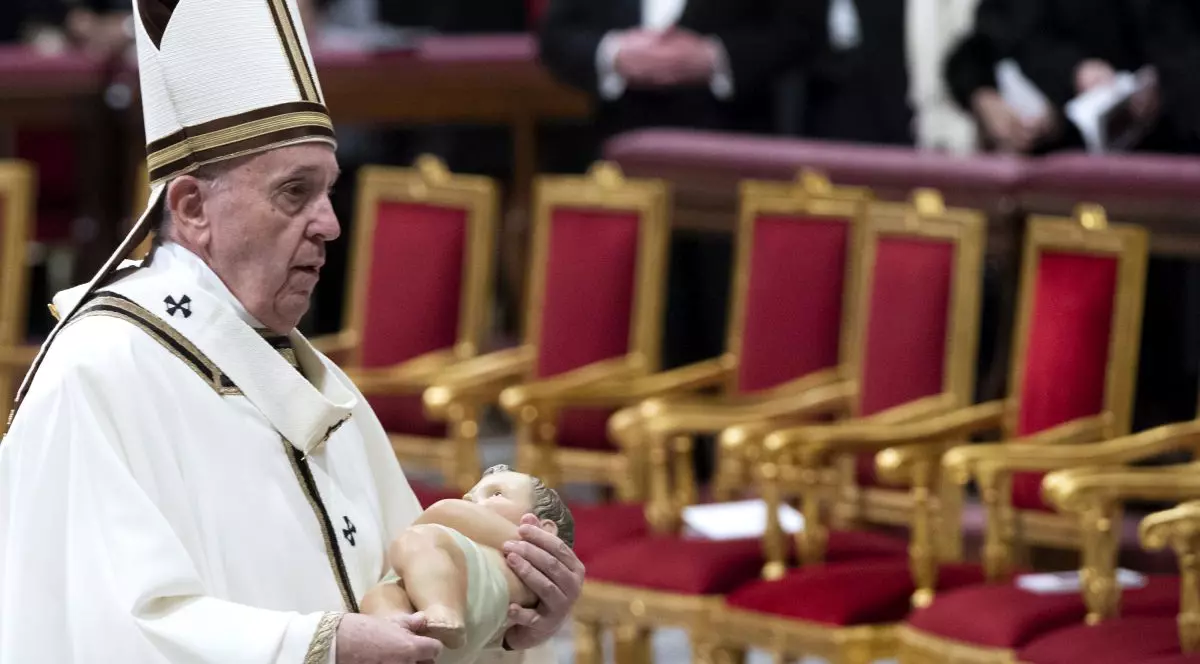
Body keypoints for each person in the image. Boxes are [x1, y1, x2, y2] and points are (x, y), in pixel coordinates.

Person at [0, 1, 583, 663]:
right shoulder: (98, 373)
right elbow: (97, 628)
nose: (330, 223)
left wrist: (505, 616)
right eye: (294, 192)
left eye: (329, 190)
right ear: (192, 208)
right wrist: (320, 646)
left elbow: (409, 604)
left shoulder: (305, 370)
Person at [362, 465, 575, 664]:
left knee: (418, 539)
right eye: (469, 497)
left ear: (545, 530)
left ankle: (440, 608)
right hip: (431, 622)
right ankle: (391, 627)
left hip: (457, 607)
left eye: (496, 493)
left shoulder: (513, 560)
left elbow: (444, 511)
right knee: (380, 595)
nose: (470, 501)